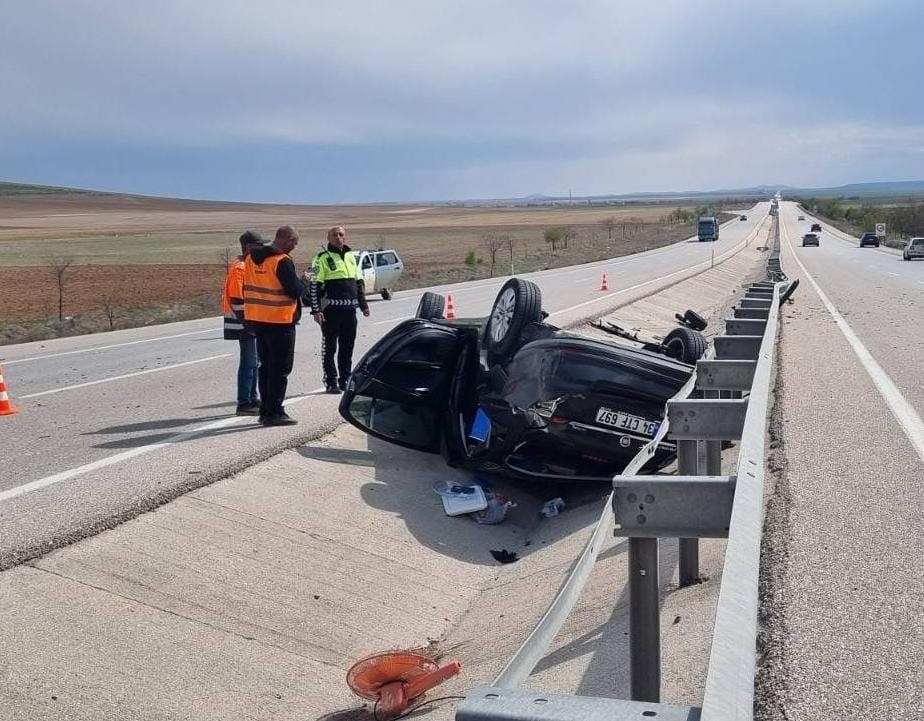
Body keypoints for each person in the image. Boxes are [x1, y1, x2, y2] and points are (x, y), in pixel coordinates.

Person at [242, 225, 310, 426]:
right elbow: (295, 291)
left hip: (258, 320)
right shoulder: (282, 261)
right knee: (280, 370)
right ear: (287, 239)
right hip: (280, 322)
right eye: (294, 243)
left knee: (266, 367)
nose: (294, 247)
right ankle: (275, 412)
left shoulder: (250, 259)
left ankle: (265, 410)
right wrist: (305, 281)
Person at [307, 226, 369, 394]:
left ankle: (345, 379)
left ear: (345, 237)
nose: (338, 237)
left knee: (347, 347)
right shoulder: (319, 258)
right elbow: (312, 284)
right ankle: (330, 381)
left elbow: (357, 283)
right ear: (328, 237)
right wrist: (315, 310)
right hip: (330, 312)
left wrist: (363, 305)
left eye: (341, 234)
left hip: (350, 311)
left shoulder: (351, 256)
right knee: (330, 348)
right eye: (334, 235)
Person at [222, 230, 265, 415]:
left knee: (255, 361)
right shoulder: (239, 268)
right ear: (248, 247)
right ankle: (244, 402)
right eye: (258, 245)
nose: (261, 248)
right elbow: (237, 299)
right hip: (242, 322)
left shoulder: (247, 265)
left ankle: (252, 398)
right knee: (249, 362)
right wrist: (248, 324)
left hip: (250, 321)